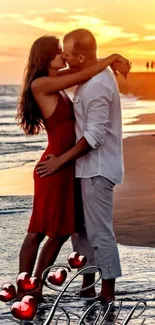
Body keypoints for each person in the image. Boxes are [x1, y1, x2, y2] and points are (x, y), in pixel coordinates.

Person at [16, 33, 129, 301]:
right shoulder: (43, 83)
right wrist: (111, 58)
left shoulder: (58, 80)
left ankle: (39, 289)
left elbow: (83, 67)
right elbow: (81, 72)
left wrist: (103, 60)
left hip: (66, 166)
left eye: (64, 52)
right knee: (40, 231)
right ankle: (27, 289)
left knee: (62, 231)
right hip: (55, 166)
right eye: (58, 52)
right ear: (46, 58)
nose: (63, 56)